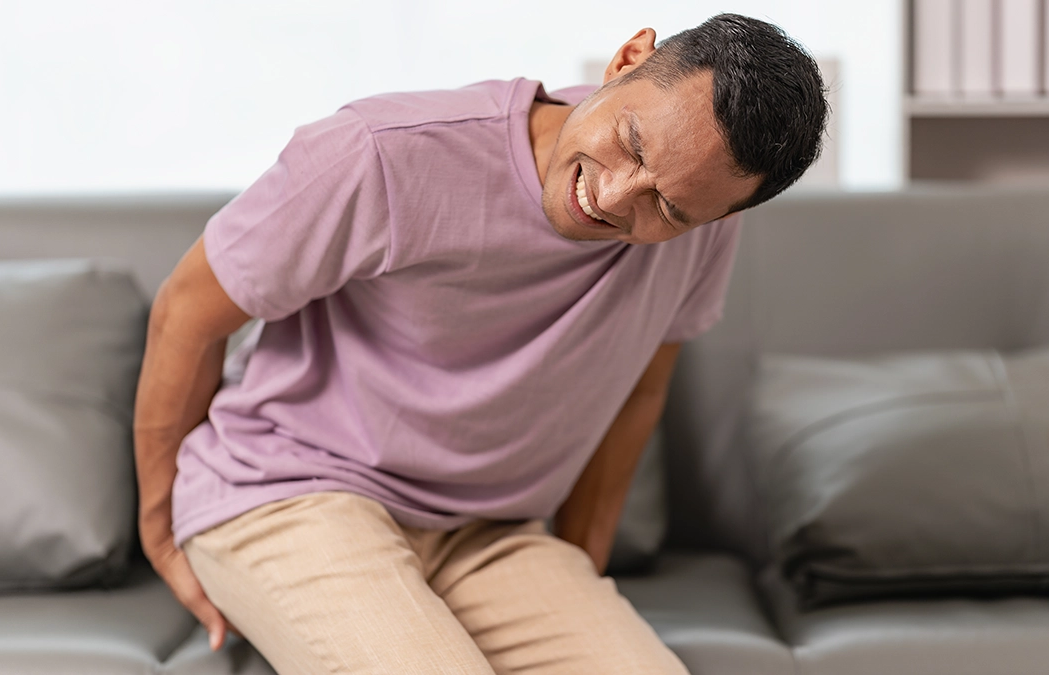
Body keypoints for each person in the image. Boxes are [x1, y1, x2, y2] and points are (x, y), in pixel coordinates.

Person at [134, 12, 827, 675]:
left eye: (668, 208)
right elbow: (189, 307)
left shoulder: (704, 223)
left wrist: (577, 569)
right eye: (632, 143)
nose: (616, 196)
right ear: (627, 59)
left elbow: (638, 388)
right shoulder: (382, 151)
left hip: (489, 532)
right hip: (291, 487)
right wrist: (160, 526)